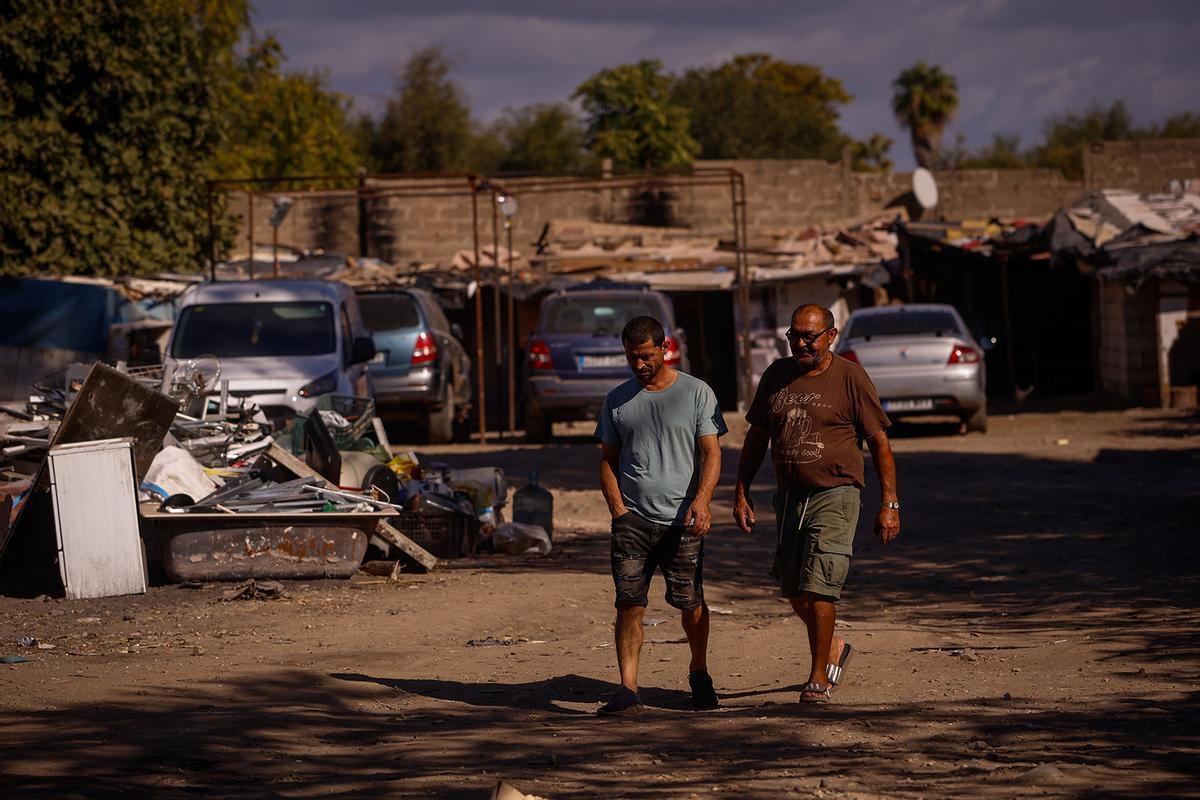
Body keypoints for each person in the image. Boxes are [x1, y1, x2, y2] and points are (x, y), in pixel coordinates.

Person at [734, 303, 900, 703]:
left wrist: (889, 503)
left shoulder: (850, 377)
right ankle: (834, 646)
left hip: (836, 493)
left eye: (811, 336)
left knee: (820, 584)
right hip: (790, 496)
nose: (802, 344)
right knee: (793, 587)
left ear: (831, 335)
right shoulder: (776, 375)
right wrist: (741, 490)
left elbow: (879, 442)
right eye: (796, 336)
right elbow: (756, 437)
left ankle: (818, 677)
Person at [595, 315, 727, 715]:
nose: (639, 364)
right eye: (631, 357)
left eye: (646, 356)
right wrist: (618, 510)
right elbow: (607, 460)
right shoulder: (617, 400)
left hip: (682, 521)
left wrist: (702, 501)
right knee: (629, 603)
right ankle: (628, 688)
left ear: (664, 348)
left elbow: (711, 452)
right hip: (633, 521)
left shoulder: (696, 392)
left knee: (690, 602)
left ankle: (699, 672)